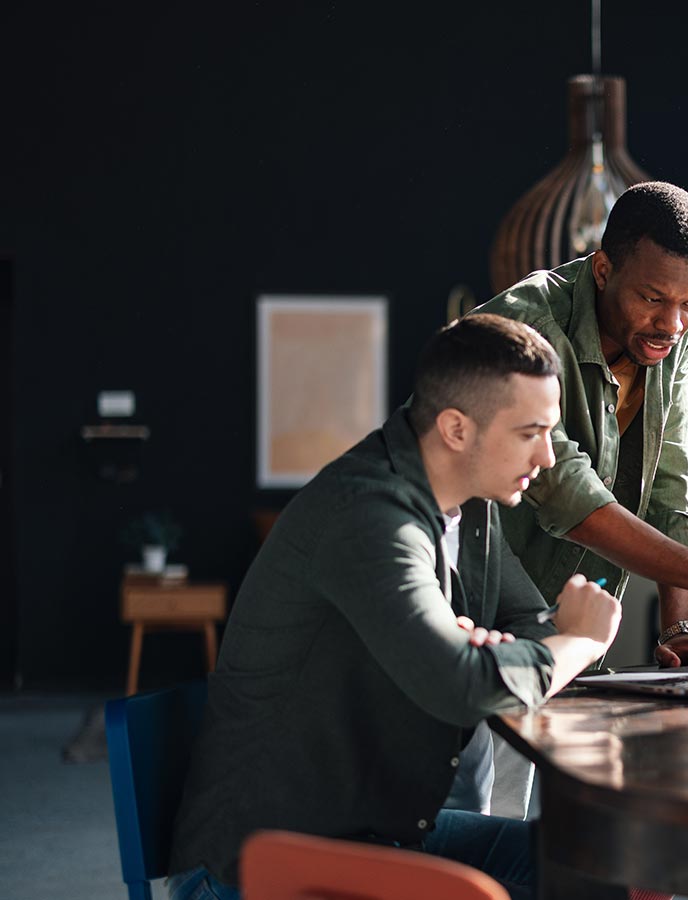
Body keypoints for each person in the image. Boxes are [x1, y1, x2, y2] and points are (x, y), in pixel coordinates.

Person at [167, 315, 622, 900]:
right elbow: (466, 684)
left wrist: (496, 656)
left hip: (376, 830)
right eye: (529, 433)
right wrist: (581, 642)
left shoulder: (472, 504)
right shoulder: (368, 515)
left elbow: (527, 622)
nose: (548, 459)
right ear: (457, 429)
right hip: (265, 864)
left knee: (598, 871)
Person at [472, 181, 688, 668]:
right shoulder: (523, 327)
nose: (672, 324)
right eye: (653, 298)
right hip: (468, 618)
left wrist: (681, 626)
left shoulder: (669, 336)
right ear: (603, 269)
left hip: (568, 644)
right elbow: (570, 494)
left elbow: (670, 483)